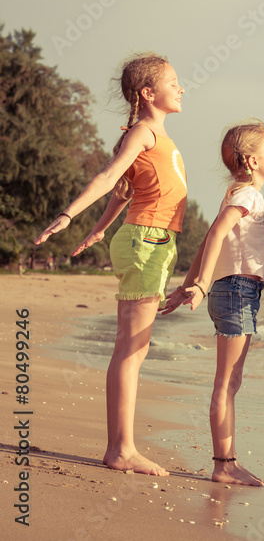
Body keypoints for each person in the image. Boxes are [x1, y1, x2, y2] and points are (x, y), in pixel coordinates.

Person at [34, 52, 186, 477]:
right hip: (147, 242)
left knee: (134, 348)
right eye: (173, 82)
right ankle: (121, 449)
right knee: (131, 348)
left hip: (152, 242)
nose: (181, 88)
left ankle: (122, 446)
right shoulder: (142, 132)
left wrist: (100, 230)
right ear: (148, 93)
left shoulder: (152, 135)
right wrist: (69, 214)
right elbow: (107, 176)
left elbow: (124, 192)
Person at [161, 119, 264, 486]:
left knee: (231, 382)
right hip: (237, 291)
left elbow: (210, 241)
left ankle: (225, 462)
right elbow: (214, 234)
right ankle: (224, 464)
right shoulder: (247, 195)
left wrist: (187, 286)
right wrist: (198, 284)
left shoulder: (236, 193)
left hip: (237, 291)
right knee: (226, 383)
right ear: (252, 161)